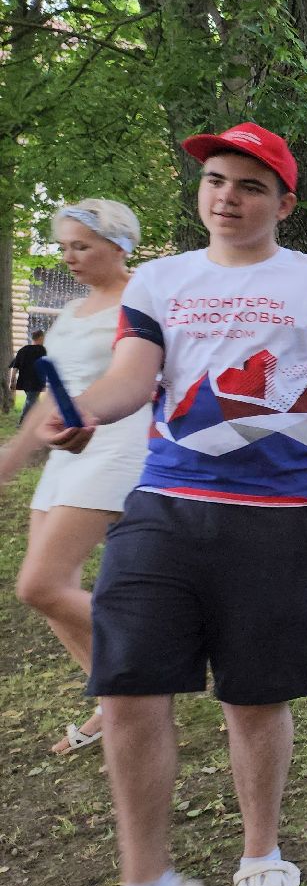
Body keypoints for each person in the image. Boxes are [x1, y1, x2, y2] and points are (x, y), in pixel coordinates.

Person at [44, 123, 307, 886]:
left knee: (255, 700)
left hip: (284, 513)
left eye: (250, 186)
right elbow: (135, 377)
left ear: (284, 203)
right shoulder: (159, 282)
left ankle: (262, 862)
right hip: (163, 505)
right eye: (216, 182)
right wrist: (88, 410)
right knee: (126, 686)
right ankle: (146, 884)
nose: (227, 197)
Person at [0, 201, 148, 754]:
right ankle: (115, 702)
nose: (69, 257)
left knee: (39, 583)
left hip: (116, 445)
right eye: (64, 246)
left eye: (81, 246)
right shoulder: (73, 312)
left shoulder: (143, 299)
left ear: (119, 246)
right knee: (47, 596)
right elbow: (47, 396)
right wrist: (12, 458)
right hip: (65, 456)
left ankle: (148, 665)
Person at [10, 329, 48, 420]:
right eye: (44, 338)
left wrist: (12, 381)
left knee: (34, 401)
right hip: (36, 381)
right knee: (31, 401)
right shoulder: (42, 350)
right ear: (41, 338)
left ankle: (37, 421)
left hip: (24, 382)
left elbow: (15, 367)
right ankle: (22, 422)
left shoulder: (22, 350)